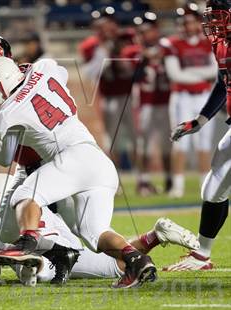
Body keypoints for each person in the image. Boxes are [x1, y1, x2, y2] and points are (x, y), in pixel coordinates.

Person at [0, 56, 158, 288]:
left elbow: (3, 157)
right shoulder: (44, 68)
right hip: (98, 160)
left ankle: (26, 243)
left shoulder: (3, 116)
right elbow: (59, 71)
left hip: (71, 159)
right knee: (94, 234)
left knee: (24, 196)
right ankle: (137, 260)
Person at [0, 34, 80, 284]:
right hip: (26, 168)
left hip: (57, 161)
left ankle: (120, 256)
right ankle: (52, 257)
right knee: (9, 226)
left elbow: (59, 74)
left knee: (81, 229)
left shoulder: (30, 75)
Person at [0, 174, 200, 287]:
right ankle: (155, 236)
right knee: (115, 260)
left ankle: (33, 266)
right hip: (67, 241)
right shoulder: (31, 206)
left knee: (116, 266)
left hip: (51, 252)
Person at [165, 0, 230, 271]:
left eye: (218, 15)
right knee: (213, 188)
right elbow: (222, 83)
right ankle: (201, 254)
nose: (212, 22)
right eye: (211, 16)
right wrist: (200, 121)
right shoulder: (221, 43)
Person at [162, 7, 218, 198]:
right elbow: (175, 75)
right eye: (185, 22)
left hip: (204, 96)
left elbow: (214, 71)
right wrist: (201, 74)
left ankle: (205, 183)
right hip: (182, 97)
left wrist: (191, 74)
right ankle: (178, 186)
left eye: (192, 21)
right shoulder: (172, 43)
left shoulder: (208, 42)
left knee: (204, 143)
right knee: (180, 141)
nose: (189, 25)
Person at [122, 17, 172, 195]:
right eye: (141, 31)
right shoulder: (133, 51)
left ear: (156, 30)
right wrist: (143, 57)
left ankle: (169, 181)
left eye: (148, 30)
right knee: (145, 145)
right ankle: (144, 182)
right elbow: (130, 76)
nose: (145, 34)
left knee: (169, 144)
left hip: (167, 101)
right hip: (145, 104)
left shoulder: (168, 47)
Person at [78, 10, 136, 164]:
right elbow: (89, 73)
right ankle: (115, 176)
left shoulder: (128, 38)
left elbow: (136, 66)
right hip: (108, 95)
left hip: (131, 94)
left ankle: (142, 178)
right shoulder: (92, 46)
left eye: (108, 23)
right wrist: (103, 52)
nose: (105, 29)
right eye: (101, 25)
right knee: (112, 137)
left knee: (136, 136)